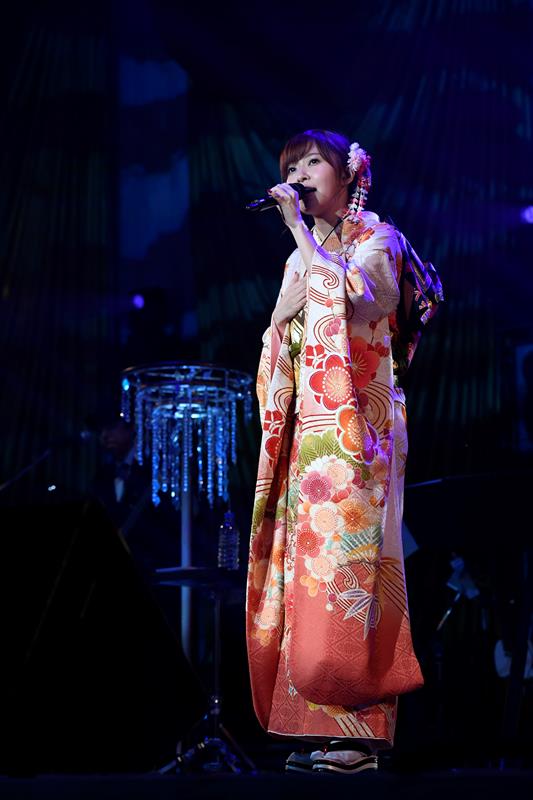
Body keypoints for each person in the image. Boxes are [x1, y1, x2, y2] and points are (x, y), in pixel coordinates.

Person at [246, 129, 443, 774]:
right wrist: (284, 311)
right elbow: (281, 336)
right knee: (307, 579)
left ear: (349, 173)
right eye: (292, 166)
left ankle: (363, 731)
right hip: (312, 434)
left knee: (352, 574)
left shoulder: (378, 239)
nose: (300, 175)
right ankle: (317, 728)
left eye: (313, 162)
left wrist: (297, 234)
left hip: (362, 430)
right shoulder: (301, 255)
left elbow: (359, 301)